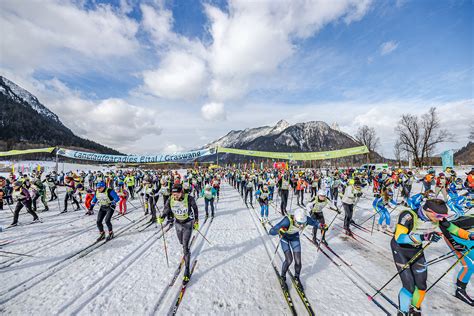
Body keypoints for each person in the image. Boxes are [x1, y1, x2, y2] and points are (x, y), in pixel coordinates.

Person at [391, 199, 474, 315]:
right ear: (428, 211)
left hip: (416, 249)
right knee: (409, 286)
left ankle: (415, 309)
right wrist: (424, 237)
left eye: (444, 216)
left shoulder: (438, 218)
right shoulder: (408, 215)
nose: (441, 219)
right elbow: (399, 238)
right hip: (400, 250)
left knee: (421, 285)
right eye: (439, 216)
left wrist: (469, 235)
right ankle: (402, 312)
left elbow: (454, 229)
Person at [269, 209, 325, 290]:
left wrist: (322, 226)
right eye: (299, 224)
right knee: (289, 260)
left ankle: (297, 278)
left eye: (303, 224)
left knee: (298, 261)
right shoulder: (287, 221)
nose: (301, 226)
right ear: (294, 219)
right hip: (285, 238)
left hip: (295, 238)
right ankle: (283, 277)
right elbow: (271, 231)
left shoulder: (306, 219)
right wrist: (279, 231)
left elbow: (315, 223)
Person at [158, 183, 199, 284]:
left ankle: (186, 271)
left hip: (188, 223)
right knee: (181, 242)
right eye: (173, 193)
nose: (175, 196)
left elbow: (195, 208)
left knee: (185, 246)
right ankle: (185, 249)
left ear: (182, 192)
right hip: (178, 223)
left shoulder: (189, 198)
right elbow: (167, 209)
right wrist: (162, 216)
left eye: (177, 194)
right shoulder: (170, 199)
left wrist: (196, 220)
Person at [438, 215, 474, 306]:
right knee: (468, 266)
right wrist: (454, 244)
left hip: (468, 241)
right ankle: (460, 292)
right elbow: (444, 226)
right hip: (455, 240)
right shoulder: (470, 220)